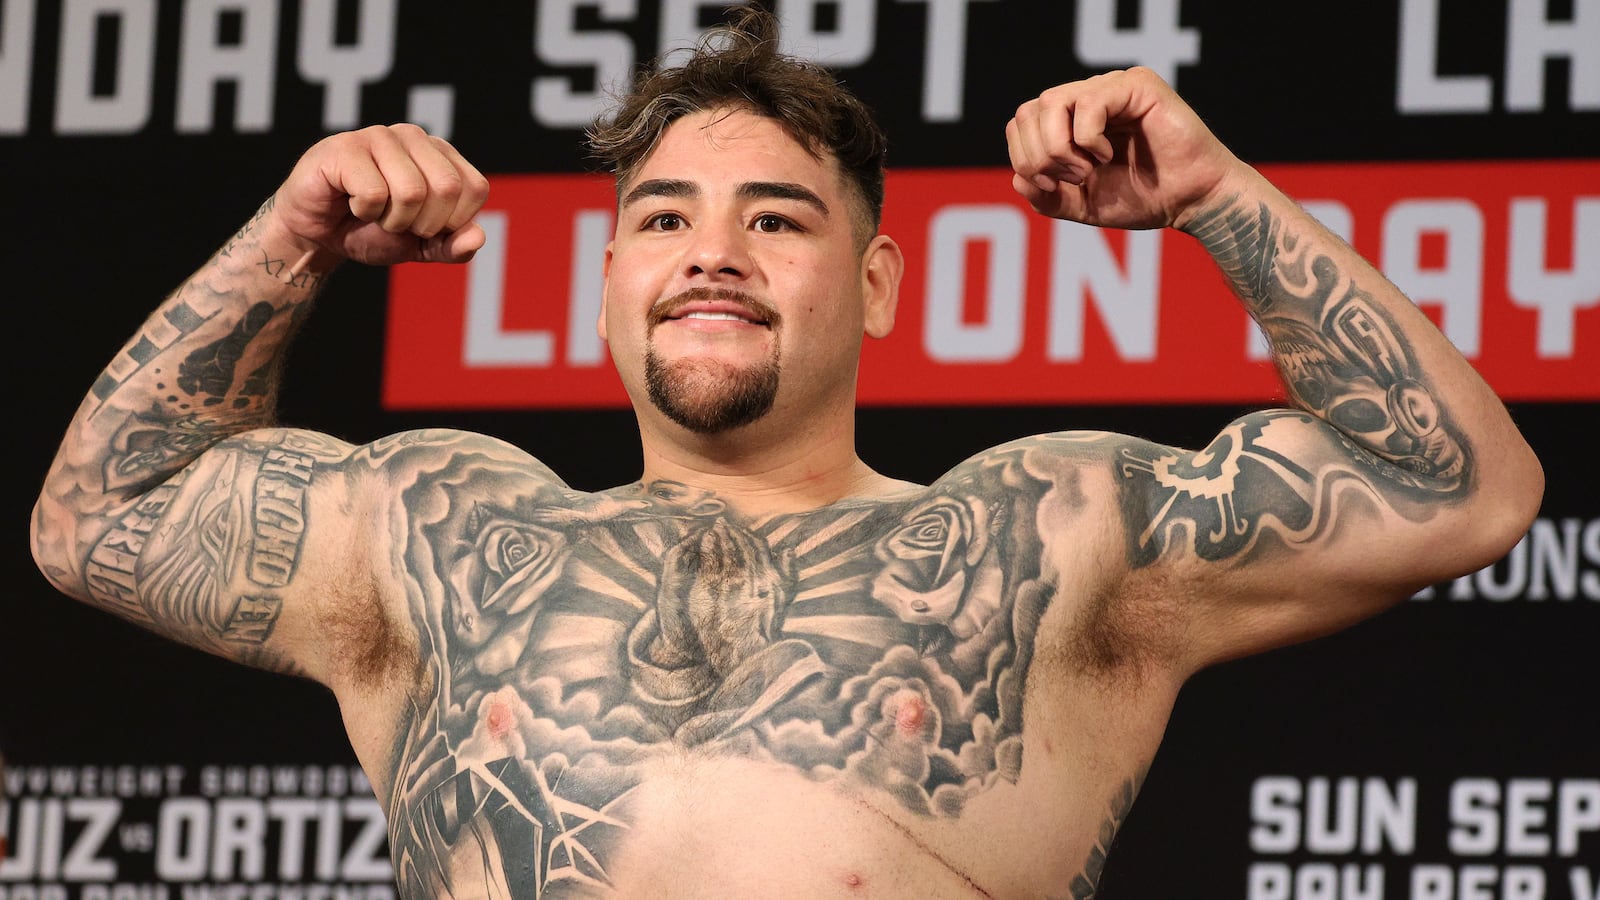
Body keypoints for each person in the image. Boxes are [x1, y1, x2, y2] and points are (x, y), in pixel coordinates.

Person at [29, 6, 1542, 898]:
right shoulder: (432, 530)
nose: (713, 254)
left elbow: (1458, 489)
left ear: (874, 285)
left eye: (778, 218)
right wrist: (289, 245)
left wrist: (1217, 197)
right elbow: (96, 518)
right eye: (664, 219)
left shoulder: (1043, 536)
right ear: (611, 280)